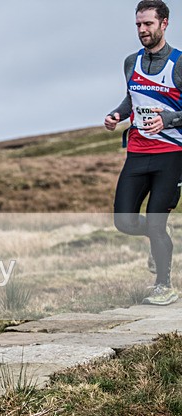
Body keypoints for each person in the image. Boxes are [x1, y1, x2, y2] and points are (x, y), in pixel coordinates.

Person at [106, 0, 182, 306]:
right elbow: (131, 97)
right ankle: (158, 242)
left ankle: (164, 285)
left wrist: (168, 118)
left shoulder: (178, 63)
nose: (142, 30)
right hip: (137, 152)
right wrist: (117, 114)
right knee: (123, 221)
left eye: (148, 24)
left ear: (164, 24)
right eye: (138, 24)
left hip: (171, 155)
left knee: (155, 222)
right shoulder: (130, 62)